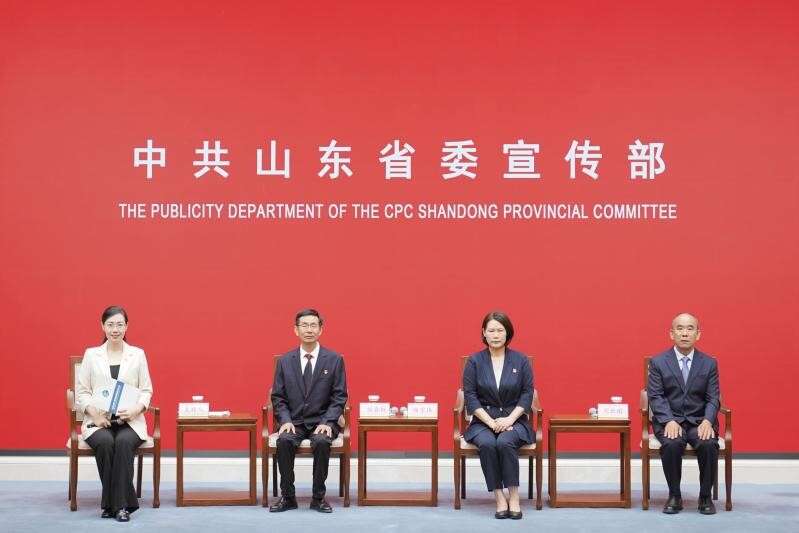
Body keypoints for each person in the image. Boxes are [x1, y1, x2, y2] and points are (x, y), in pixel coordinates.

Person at [75, 306, 153, 522]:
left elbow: (146, 390)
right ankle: (122, 506)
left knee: (123, 443)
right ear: (102, 326)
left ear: (127, 326)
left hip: (130, 421)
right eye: (110, 324)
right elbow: (82, 392)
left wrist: (136, 409)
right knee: (105, 442)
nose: (115, 329)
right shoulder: (92, 355)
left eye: (119, 324)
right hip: (99, 421)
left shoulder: (137, 354)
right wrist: (95, 415)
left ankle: (113, 506)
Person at [269, 309, 348, 513]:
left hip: (323, 421)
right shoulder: (285, 361)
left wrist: (327, 421)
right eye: (304, 325)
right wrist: (285, 420)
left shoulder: (334, 360)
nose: (309, 330)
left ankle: (318, 498)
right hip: (294, 421)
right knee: (284, 440)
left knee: (321, 441)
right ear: (296, 330)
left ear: (321, 330)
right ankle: (288, 497)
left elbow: (339, 396)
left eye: (314, 325)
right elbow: (278, 397)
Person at [462, 311, 533, 519]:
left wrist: (509, 419)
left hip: (514, 420)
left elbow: (527, 394)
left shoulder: (521, 360)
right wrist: (491, 422)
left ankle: (514, 496)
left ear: (507, 333)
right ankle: (499, 496)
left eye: (500, 330)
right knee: (487, 443)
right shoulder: (474, 362)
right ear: (484, 333)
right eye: (491, 330)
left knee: (504, 442)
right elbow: (470, 397)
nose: (495, 335)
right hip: (483, 421)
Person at [647, 312, 720, 515]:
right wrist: (668, 420)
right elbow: (656, 396)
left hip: (699, 421)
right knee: (671, 443)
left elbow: (713, 397)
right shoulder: (658, 362)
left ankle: (705, 497)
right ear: (671, 334)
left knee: (708, 443)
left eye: (690, 328)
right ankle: (674, 495)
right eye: (679, 329)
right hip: (670, 420)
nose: (685, 333)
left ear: (698, 334)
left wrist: (708, 421)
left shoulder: (709, 363)